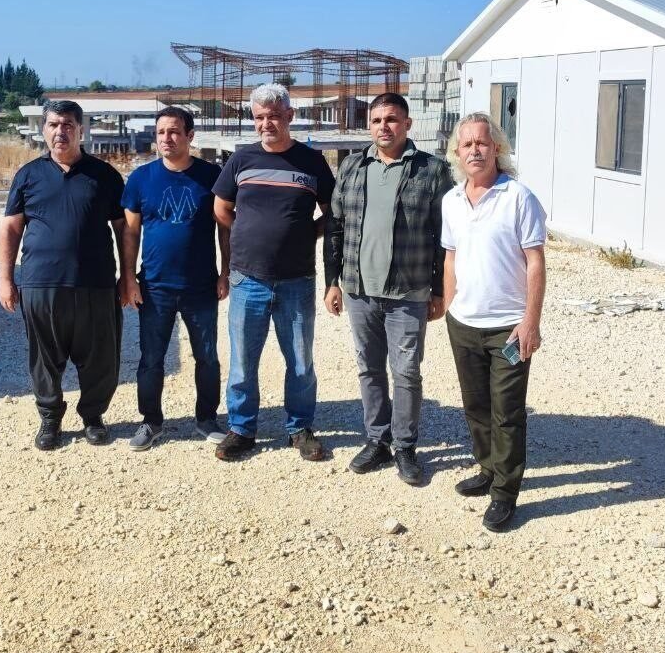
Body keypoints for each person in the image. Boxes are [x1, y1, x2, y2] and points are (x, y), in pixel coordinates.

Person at [324, 92, 454, 485]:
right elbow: (335, 226)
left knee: (407, 372)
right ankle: (377, 440)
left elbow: (444, 236)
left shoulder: (431, 170)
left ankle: (405, 447)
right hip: (359, 289)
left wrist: (438, 290)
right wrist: (332, 282)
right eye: (377, 120)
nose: (384, 127)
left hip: (408, 292)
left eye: (392, 119)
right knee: (369, 368)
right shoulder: (352, 166)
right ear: (369, 125)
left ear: (407, 124)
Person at [0, 100, 134, 451]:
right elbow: (11, 229)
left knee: (101, 357)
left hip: (96, 283)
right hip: (41, 284)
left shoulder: (104, 175)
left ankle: (93, 416)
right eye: (54, 125)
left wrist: (127, 278)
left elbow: (124, 229)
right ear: (44, 130)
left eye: (68, 125)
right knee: (44, 357)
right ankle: (50, 419)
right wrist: (6, 279)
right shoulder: (28, 176)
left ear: (80, 130)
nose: (61, 131)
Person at [211, 83, 336, 462]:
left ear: (289, 117)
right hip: (247, 278)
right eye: (260, 117)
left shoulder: (312, 162)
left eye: (274, 116)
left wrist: (306, 234)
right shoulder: (241, 160)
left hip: (297, 279)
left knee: (300, 359)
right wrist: (248, 235)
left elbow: (332, 212)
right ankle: (241, 429)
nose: (267, 124)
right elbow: (221, 208)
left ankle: (299, 428)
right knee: (242, 360)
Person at [441, 112, 547, 532]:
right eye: (466, 144)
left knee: (507, 412)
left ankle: (505, 492)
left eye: (482, 143)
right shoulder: (452, 201)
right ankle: (487, 469)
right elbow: (450, 258)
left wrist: (531, 321)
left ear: (497, 148)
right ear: (457, 152)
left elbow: (535, 262)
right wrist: (450, 308)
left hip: (509, 328)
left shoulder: (518, 197)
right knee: (476, 406)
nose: (475, 150)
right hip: (464, 323)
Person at [121, 106, 231, 450]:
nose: (166, 138)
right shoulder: (141, 178)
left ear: (189, 136)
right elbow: (130, 233)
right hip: (155, 286)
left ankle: (207, 418)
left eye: (174, 131)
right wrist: (128, 278)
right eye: (161, 132)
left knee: (207, 357)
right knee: (151, 359)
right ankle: (150, 421)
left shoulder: (211, 176)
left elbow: (225, 228)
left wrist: (225, 272)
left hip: (201, 286)